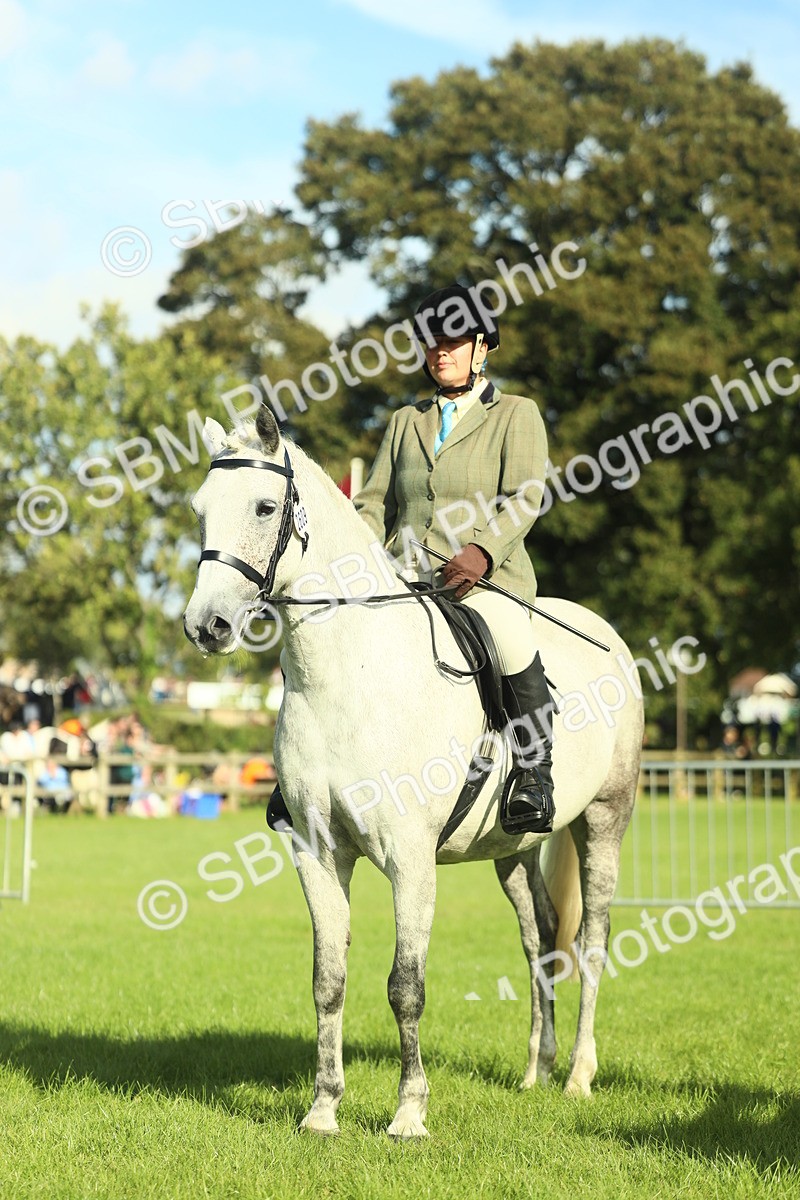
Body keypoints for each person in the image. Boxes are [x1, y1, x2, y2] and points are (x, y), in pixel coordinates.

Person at [268, 283, 556, 836]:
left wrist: (482, 552)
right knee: (316, 639)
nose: (439, 352)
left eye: (453, 342)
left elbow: (526, 496)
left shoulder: (516, 414)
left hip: (485, 581)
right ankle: (299, 777)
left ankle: (533, 773)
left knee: (510, 639)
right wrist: (348, 564)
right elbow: (374, 503)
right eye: (432, 343)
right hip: (403, 579)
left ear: (482, 348)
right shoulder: (405, 421)